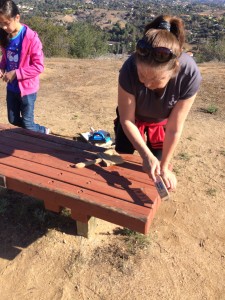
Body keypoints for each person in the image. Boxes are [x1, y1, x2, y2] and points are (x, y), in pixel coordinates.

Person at [114, 15, 202, 191]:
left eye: (155, 80)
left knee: (158, 170)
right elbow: (127, 120)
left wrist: (164, 164)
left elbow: (174, 128)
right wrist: (145, 155)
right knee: (122, 161)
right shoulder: (129, 68)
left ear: (174, 69)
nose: (146, 84)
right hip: (132, 123)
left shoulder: (190, 75)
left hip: (161, 127)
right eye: (143, 76)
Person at [0, 0, 50, 134]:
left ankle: (43, 131)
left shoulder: (31, 38)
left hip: (27, 90)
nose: (3, 27)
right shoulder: (5, 37)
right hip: (12, 88)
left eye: (6, 23)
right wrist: (2, 68)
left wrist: (16, 73)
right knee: (12, 120)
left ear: (17, 17)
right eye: (1, 23)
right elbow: (5, 57)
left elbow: (38, 66)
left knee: (28, 124)